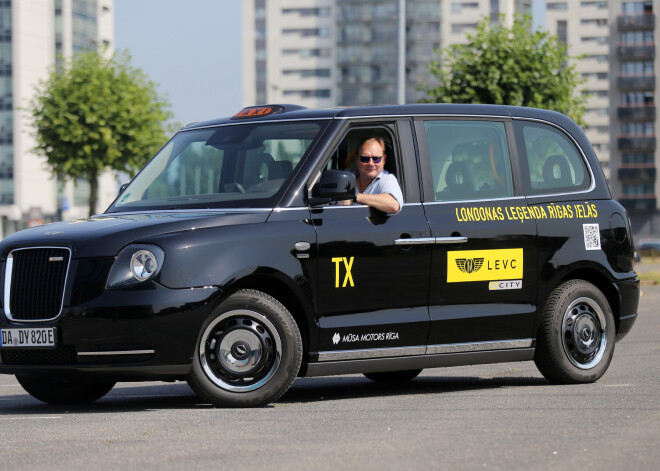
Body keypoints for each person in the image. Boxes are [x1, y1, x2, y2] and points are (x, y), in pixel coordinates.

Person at [345, 137, 403, 214]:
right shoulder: (345, 177)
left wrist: (354, 197)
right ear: (356, 159)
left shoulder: (387, 179)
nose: (371, 164)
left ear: (384, 160)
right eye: (365, 158)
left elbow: (394, 205)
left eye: (376, 159)